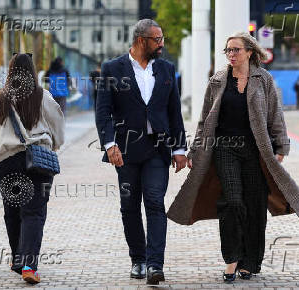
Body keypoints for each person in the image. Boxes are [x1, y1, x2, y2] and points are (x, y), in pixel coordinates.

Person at [167, 32, 299, 283]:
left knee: (255, 205)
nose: (231, 54)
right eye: (228, 51)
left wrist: (281, 148)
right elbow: (205, 120)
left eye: (236, 50)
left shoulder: (264, 80)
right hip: (225, 148)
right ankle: (232, 259)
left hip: (256, 151)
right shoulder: (218, 80)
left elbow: (275, 117)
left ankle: (250, 262)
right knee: (233, 201)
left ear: (249, 52)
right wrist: (194, 151)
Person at [95, 19, 187, 285]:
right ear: (140, 40)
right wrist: (110, 145)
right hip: (125, 151)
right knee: (129, 206)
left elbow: (174, 112)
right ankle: (138, 259)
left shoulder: (167, 68)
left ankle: (155, 265)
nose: (161, 44)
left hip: (158, 150)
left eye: (162, 39)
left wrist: (180, 148)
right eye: (157, 39)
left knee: (156, 203)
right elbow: (103, 112)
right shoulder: (113, 68)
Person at [0, 53, 64, 285]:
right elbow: (58, 124)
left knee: (13, 212)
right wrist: (55, 143)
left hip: (6, 162)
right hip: (37, 161)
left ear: (10, 72)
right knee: (34, 212)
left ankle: (19, 261)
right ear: (32, 71)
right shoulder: (42, 96)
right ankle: (29, 264)